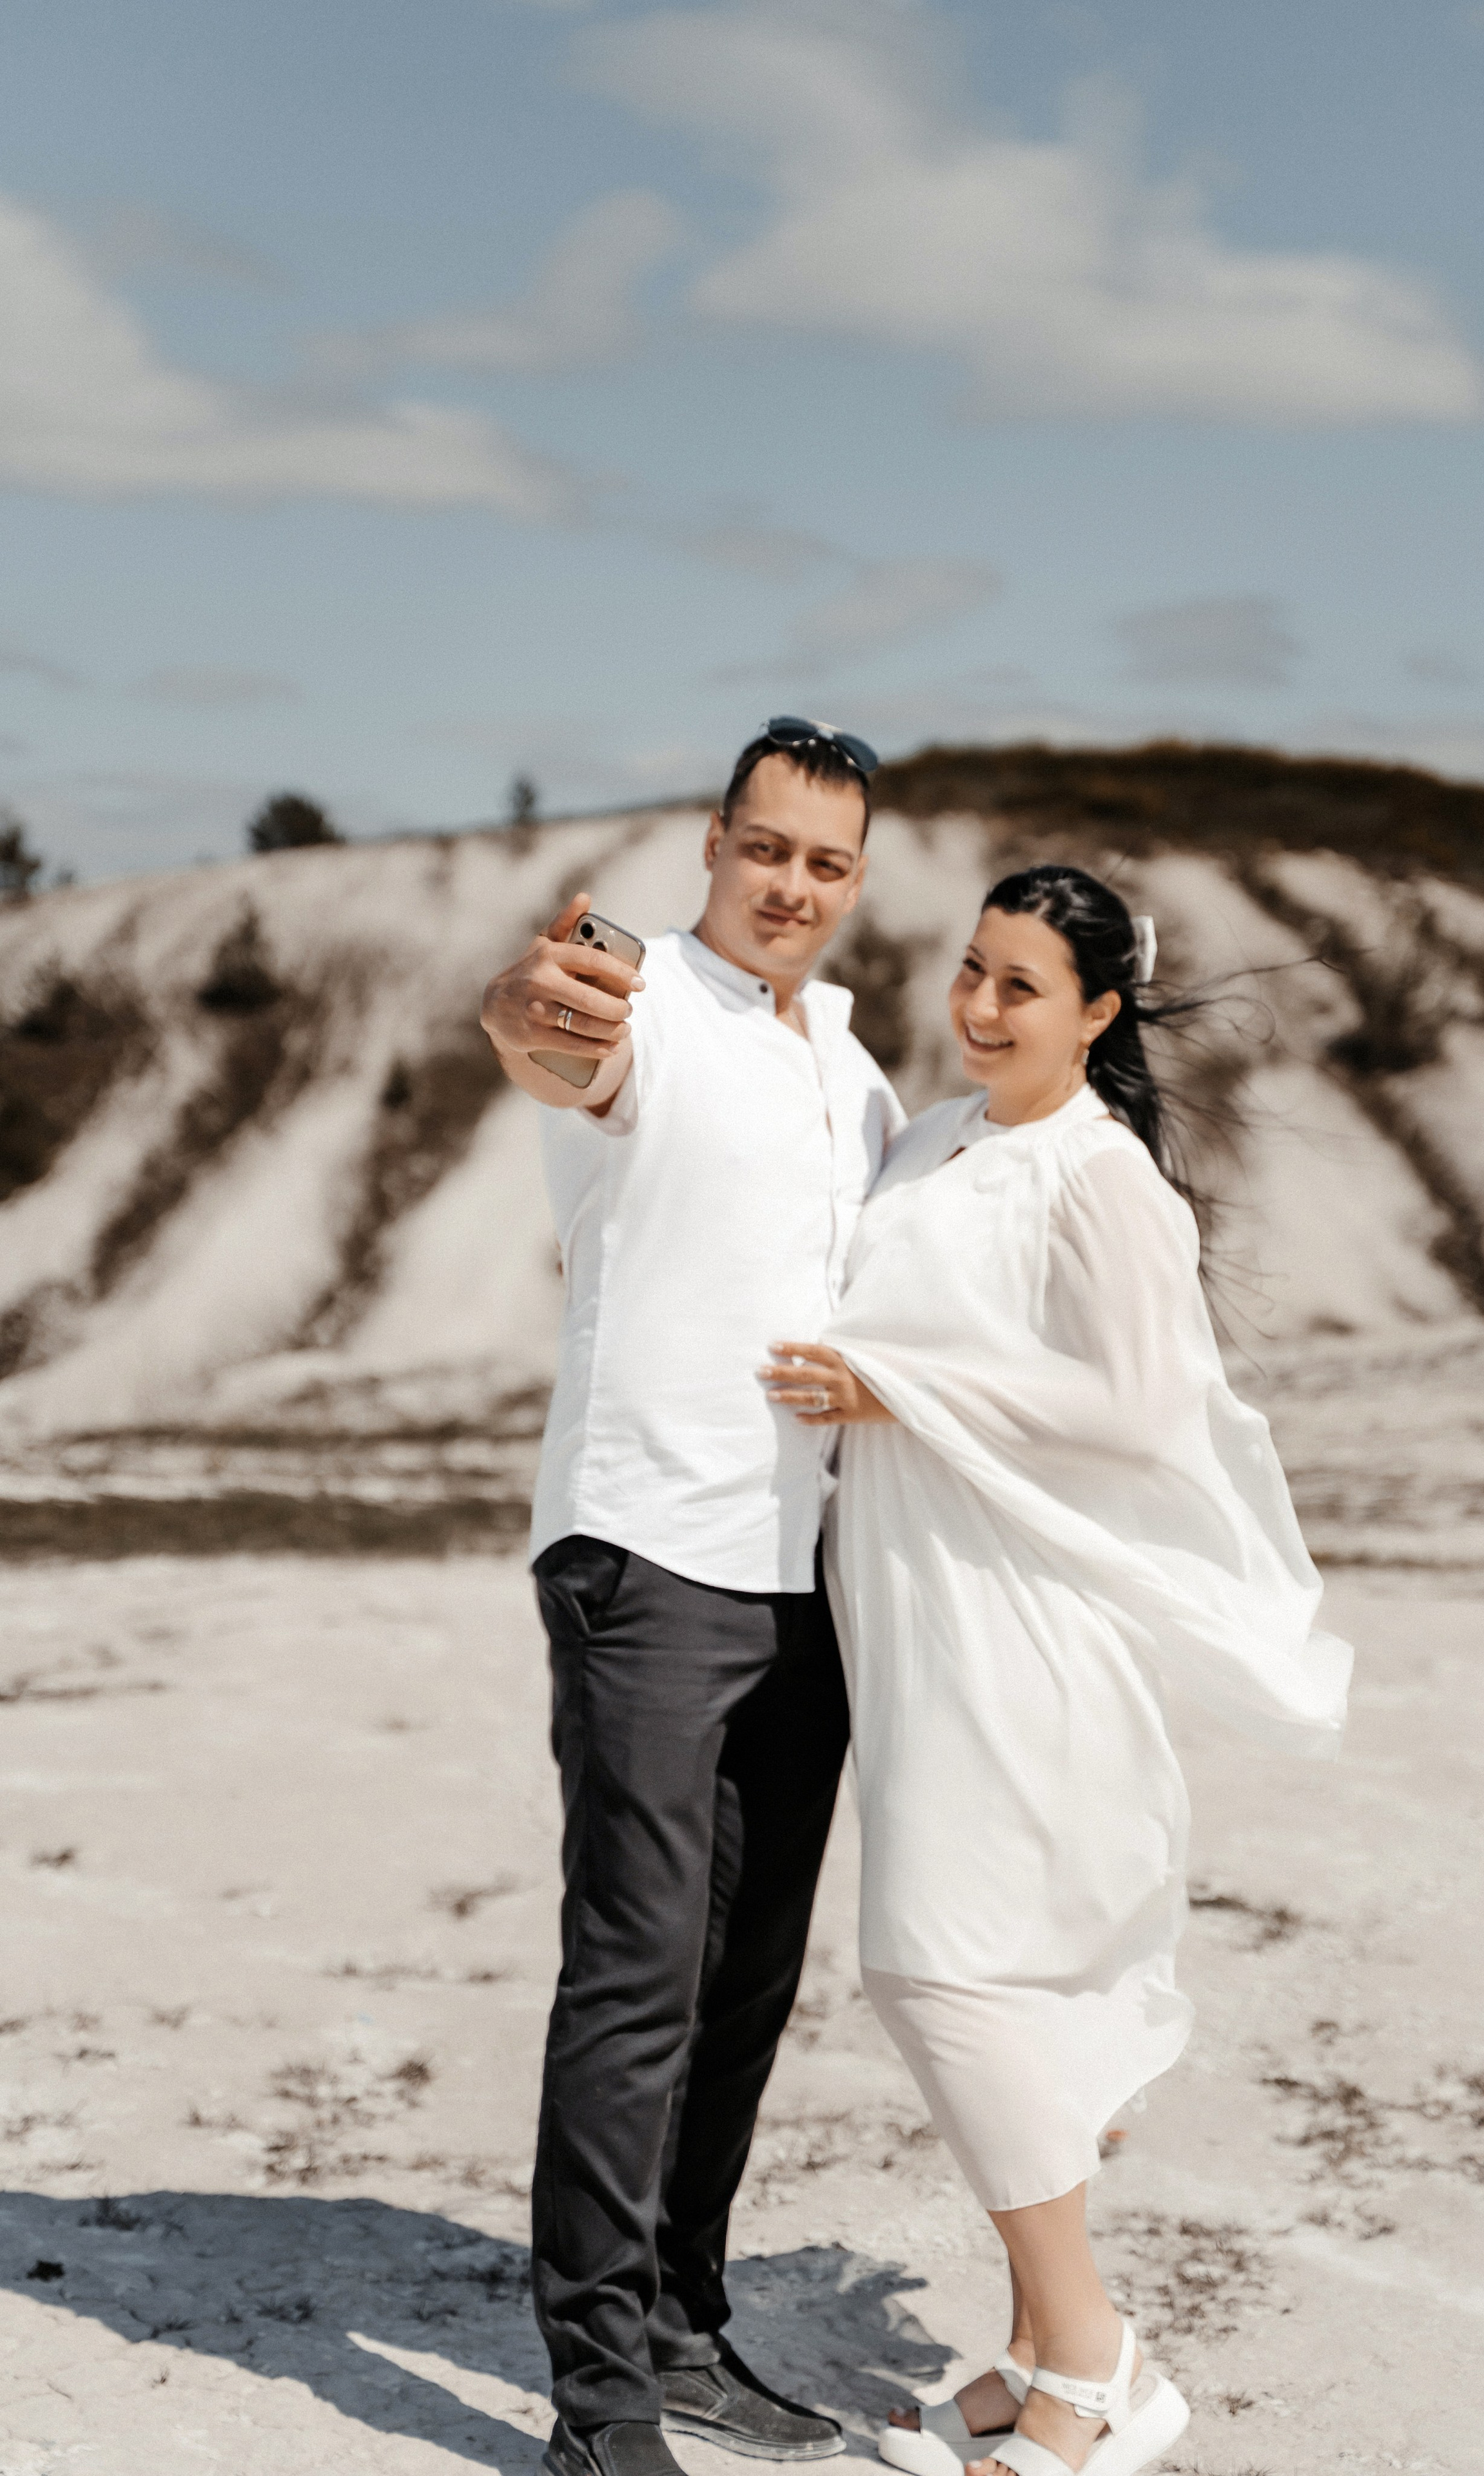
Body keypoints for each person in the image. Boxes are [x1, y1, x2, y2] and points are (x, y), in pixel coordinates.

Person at [761, 865, 1352, 2476]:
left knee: (932, 1966)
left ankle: (1095, 2354)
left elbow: (1144, 1412)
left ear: (1097, 1013)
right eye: (969, 970)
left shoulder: (1099, 1178)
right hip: (910, 1605)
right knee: (984, 1967)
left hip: (1019, 1615)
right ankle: (1030, 2355)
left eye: (1019, 986)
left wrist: (901, 1388)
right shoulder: (937, 1139)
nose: (975, 1007)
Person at [480, 720, 904, 2476]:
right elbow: (541, 1034)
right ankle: (596, 2409)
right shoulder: (635, 996)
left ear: (854, 880)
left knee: (746, 1980)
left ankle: (678, 2318)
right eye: (765, 848)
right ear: (714, 845)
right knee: (637, 1973)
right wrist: (536, 1002)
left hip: (802, 1575)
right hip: (645, 1548)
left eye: (826, 862)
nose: (790, 885)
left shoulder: (853, 1066)